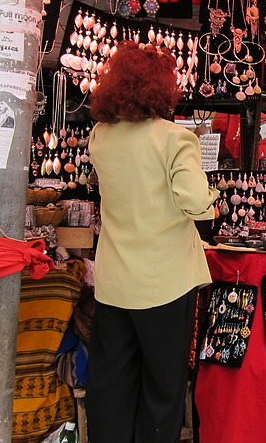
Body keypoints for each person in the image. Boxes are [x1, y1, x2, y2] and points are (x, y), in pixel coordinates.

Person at [86, 42, 218, 443]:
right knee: (162, 386)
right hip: (164, 285)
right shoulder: (174, 138)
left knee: (111, 383)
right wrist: (212, 206)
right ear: (162, 89)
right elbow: (195, 201)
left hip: (114, 282)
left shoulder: (101, 136)